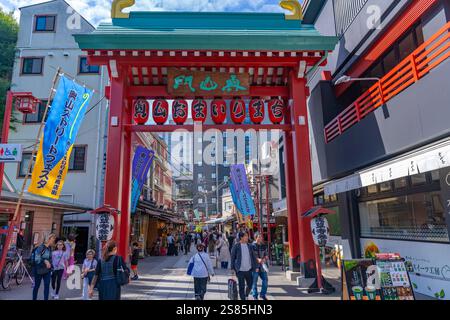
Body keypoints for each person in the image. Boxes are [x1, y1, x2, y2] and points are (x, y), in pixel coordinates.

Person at [231, 231, 257, 300]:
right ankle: (243, 298)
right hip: (240, 270)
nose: (247, 237)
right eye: (245, 236)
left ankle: (246, 294)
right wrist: (232, 268)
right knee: (241, 286)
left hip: (248, 269)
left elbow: (253, 257)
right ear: (241, 237)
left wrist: (256, 266)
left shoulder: (249, 246)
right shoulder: (236, 246)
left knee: (250, 284)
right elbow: (232, 257)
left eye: (247, 236)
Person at [32, 233, 56, 300]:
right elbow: (37, 259)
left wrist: (52, 267)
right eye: (52, 239)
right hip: (38, 270)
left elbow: (50, 259)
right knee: (36, 286)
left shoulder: (50, 248)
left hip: (47, 270)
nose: (53, 240)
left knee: (47, 286)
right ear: (48, 239)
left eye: (54, 239)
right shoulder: (41, 247)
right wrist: (44, 261)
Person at [252, 233, 269, 300]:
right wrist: (257, 259)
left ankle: (262, 294)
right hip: (255, 266)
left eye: (261, 237)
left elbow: (266, 254)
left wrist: (265, 258)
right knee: (254, 282)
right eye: (259, 237)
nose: (260, 238)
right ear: (255, 237)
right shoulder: (252, 246)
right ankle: (255, 296)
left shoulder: (263, 245)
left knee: (265, 280)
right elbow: (252, 256)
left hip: (262, 266)